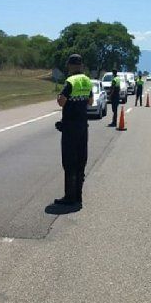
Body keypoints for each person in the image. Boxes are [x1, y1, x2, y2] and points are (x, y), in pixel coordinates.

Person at [55, 54, 93, 206]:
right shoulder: (86, 80)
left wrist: (60, 97)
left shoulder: (70, 81)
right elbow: (90, 102)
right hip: (83, 126)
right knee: (81, 160)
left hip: (70, 127)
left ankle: (69, 197)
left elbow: (61, 102)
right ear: (81, 65)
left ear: (70, 66)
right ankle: (78, 195)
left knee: (69, 162)